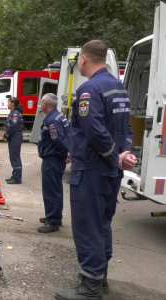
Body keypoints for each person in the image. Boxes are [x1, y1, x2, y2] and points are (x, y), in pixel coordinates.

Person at [55, 40, 137, 300]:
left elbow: (94, 131)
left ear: (84, 59)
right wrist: (123, 154)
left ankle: (90, 288)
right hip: (110, 173)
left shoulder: (89, 89)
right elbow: (126, 129)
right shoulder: (118, 87)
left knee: (87, 225)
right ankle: (100, 279)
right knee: (102, 224)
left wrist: (114, 156)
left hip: (91, 170)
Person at [37, 93, 69, 234]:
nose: (40, 104)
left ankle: (53, 221)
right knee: (55, 189)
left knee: (51, 191)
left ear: (45, 104)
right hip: (55, 158)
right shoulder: (58, 116)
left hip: (52, 159)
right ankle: (54, 215)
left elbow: (59, 141)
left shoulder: (52, 120)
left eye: (41, 102)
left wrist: (63, 155)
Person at [3, 96, 23, 184]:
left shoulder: (15, 114)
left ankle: (17, 178)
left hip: (15, 138)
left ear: (13, 104)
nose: (8, 104)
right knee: (12, 157)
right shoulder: (12, 113)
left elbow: (13, 127)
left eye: (9, 103)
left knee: (15, 157)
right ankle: (14, 175)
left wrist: (6, 135)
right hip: (12, 137)